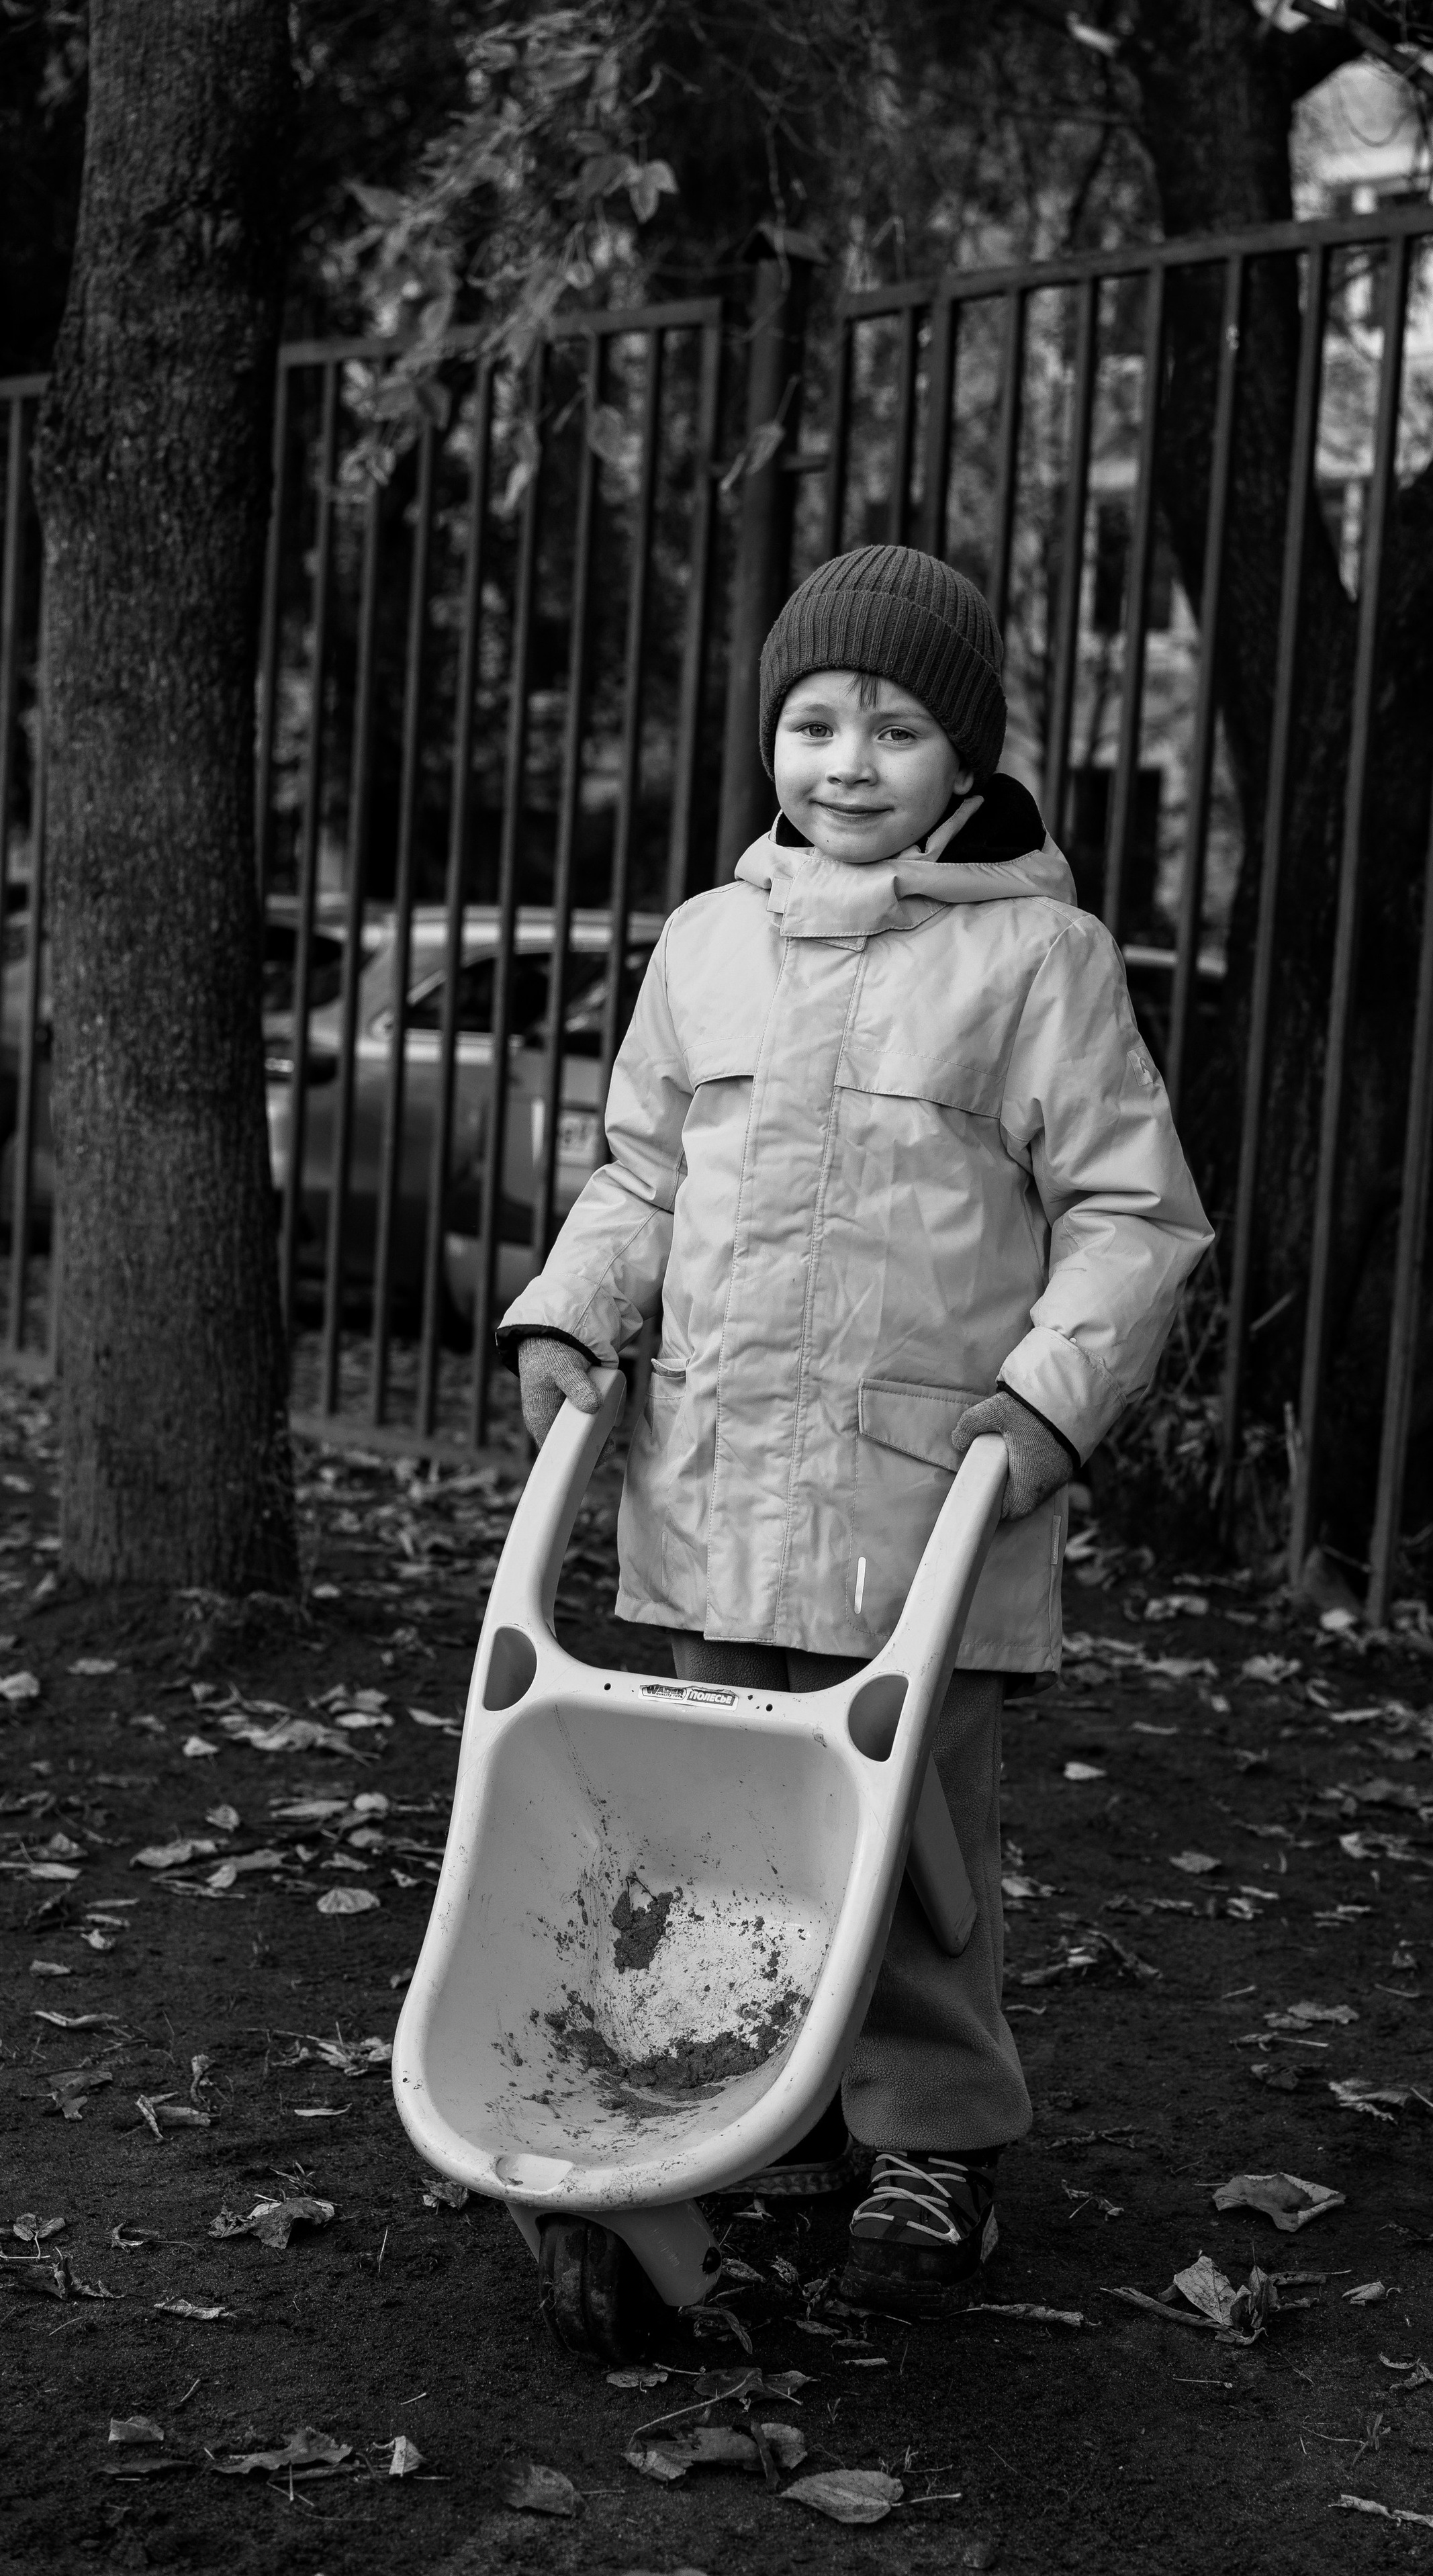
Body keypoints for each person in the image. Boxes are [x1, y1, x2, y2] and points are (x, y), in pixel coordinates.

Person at [496, 542, 1211, 2313]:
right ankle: (766, 2136)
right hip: (715, 1492)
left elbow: (1134, 1216)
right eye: (814, 720)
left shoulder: (1041, 961)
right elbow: (644, 1168)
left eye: (894, 730)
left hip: (926, 1506)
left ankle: (937, 2146)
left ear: (964, 765)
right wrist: (576, 1311)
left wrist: (1046, 1407)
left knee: (913, 1855)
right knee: (721, 1836)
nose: (846, 760)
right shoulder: (709, 946)